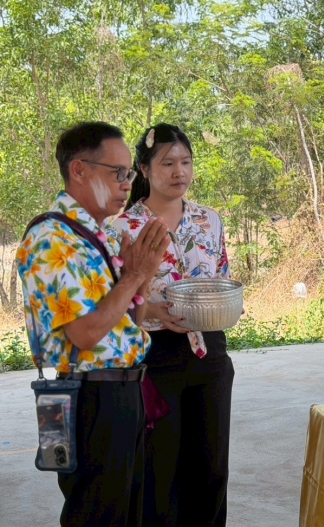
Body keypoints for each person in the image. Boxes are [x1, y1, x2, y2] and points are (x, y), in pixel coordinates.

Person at [16, 121, 171, 527]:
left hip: (124, 392)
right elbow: (85, 334)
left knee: (128, 514)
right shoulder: (52, 238)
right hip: (91, 399)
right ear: (79, 170)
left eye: (129, 173)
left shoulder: (96, 236)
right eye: (117, 172)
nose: (127, 184)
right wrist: (132, 277)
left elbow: (129, 326)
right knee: (97, 516)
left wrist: (142, 277)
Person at [112, 123, 234, 527]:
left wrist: (227, 306)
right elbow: (115, 303)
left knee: (211, 467)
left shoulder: (209, 220)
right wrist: (153, 311)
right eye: (167, 163)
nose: (179, 171)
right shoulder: (124, 228)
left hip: (209, 351)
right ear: (145, 169)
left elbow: (221, 276)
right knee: (158, 470)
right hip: (155, 356)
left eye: (185, 161)